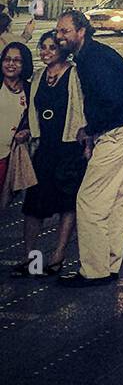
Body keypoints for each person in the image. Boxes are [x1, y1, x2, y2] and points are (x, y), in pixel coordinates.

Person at [53, 10, 123, 287]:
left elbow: (110, 102)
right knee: (117, 197)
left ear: (81, 31)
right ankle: (110, 262)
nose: (59, 37)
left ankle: (93, 270)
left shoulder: (92, 61)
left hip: (119, 129)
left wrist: (90, 131)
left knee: (89, 200)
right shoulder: (92, 55)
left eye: (65, 31)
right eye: (59, 31)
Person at [10, 31, 87, 276]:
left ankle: (57, 256)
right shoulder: (38, 76)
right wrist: (27, 131)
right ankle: (30, 258)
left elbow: (83, 108)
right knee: (33, 204)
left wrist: (87, 142)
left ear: (62, 50)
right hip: (43, 147)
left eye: (51, 48)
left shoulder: (74, 74)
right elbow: (29, 110)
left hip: (68, 146)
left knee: (67, 201)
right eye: (43, 48)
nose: (46, 52)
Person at [0, 41, 33, 210]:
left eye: (17, 60)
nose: (11, 64)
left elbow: (33, 121)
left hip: (5, 157)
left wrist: (26, 131)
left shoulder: (29, 90)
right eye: (7, 59)